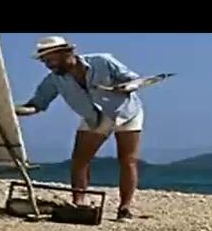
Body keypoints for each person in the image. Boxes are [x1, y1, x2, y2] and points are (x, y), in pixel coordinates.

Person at [16, 36, 145, 220]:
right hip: (94, 117)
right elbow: (37, 104)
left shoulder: (102, 61)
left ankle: (124, 208)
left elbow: (134, 79)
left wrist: (126, 87)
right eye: (45, 61)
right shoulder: (54, 80)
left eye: (51, 59)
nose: (49, 65)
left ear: (67, 53)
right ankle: (79, 203)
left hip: (125, 111)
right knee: (79, 160)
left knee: (128, 160)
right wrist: (11, 110)